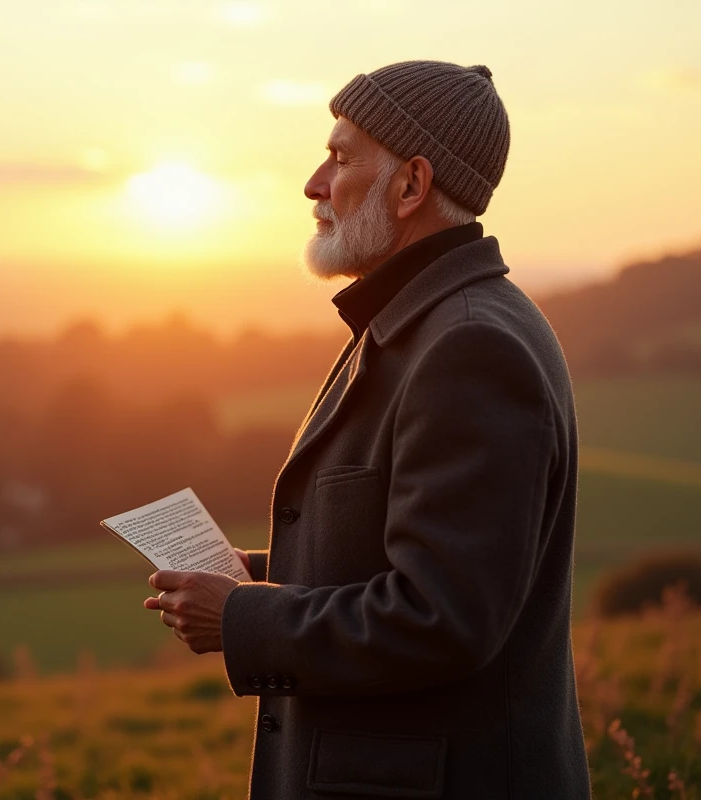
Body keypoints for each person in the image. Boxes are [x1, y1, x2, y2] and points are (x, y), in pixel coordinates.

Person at [145, 59, 592, 799]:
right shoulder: (417, 323)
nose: (314, 184)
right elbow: (402, 560)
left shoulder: (469, 347)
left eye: (341, 157)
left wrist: (244, 620)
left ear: (412, 186)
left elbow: (441, 615)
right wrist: (254, 575)